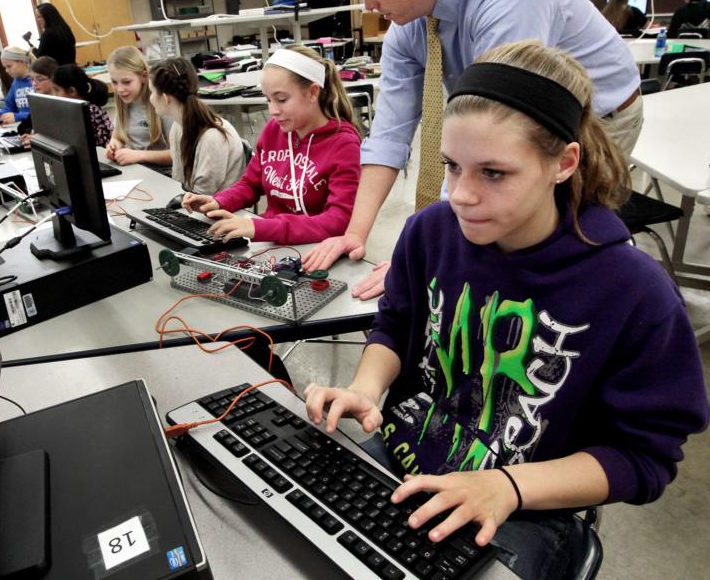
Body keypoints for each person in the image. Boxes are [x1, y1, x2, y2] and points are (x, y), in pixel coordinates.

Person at [303, 40, 709, 580]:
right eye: (452, 166)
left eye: (493, 173)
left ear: (563, 163)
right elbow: (396, 325)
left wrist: (506, 486)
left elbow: (644, 458)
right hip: (408, 455)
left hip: (526, 504)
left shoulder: (634, 292)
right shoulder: (432, 232)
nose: (462, 195)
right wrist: (365, 389)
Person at [302, 0, 644, 298]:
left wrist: (429, 253)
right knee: (488, 228)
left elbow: (494, 136)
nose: (368, 4)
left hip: (597, 119)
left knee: (545, 236)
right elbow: (389, 136)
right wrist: (353, 234)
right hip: (515, 122)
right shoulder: (409, 26)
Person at [182, 46, 362, 244]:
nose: (273, 110)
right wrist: (218, 201)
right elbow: (251, 183)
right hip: (272, 243)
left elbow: (338, 221)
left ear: (312, 93)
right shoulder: (274, 130)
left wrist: (261, 227)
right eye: (268, 99)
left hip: (317, 249)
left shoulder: (344, 145)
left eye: (281, 99)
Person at [148, 57, 246, 195]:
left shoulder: (212, 137)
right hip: (196, 204)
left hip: (222, 211)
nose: (150, 98)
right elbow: (180, 183)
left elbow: (202, 195)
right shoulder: (177, 127)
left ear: (165, 98)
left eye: (151, 92)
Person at [105, 46, 173, 169]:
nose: (120, 89)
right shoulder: (123, 104)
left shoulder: (161, 103)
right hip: (135, 170)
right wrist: (114, 146)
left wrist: (139, 155)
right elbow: (118, 137)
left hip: (161, 174)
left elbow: (177, 155)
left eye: (126, 82)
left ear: (143, 76)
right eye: (114, 82)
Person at [51, 64, 113, 147]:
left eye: (57, 90)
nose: (54, 95)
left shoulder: (89, 111)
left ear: (72, 91)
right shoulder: (75, 109)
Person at [0, 45, 34, 133]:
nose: (6, 71)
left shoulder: (36, 81)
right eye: (5, 67)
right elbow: (9, 106)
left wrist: (17, 116)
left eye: (9, 66)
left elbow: (42, 113)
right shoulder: (16, 82)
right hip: (23, 127)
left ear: (22, 62)